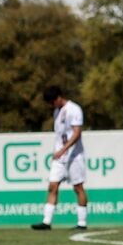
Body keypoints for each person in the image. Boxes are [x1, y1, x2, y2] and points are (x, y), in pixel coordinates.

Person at [32, 86, 88, 230]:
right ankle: (46, 222)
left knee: (78, 188)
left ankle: (82, 223)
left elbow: (77, 133)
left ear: (58, 98)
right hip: (59, 158)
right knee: (52, 186)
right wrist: (57, 151)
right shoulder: (57, 112)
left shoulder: (74, 109)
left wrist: (64, 149)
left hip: (74, 156)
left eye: (52, 102)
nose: (51, 105)